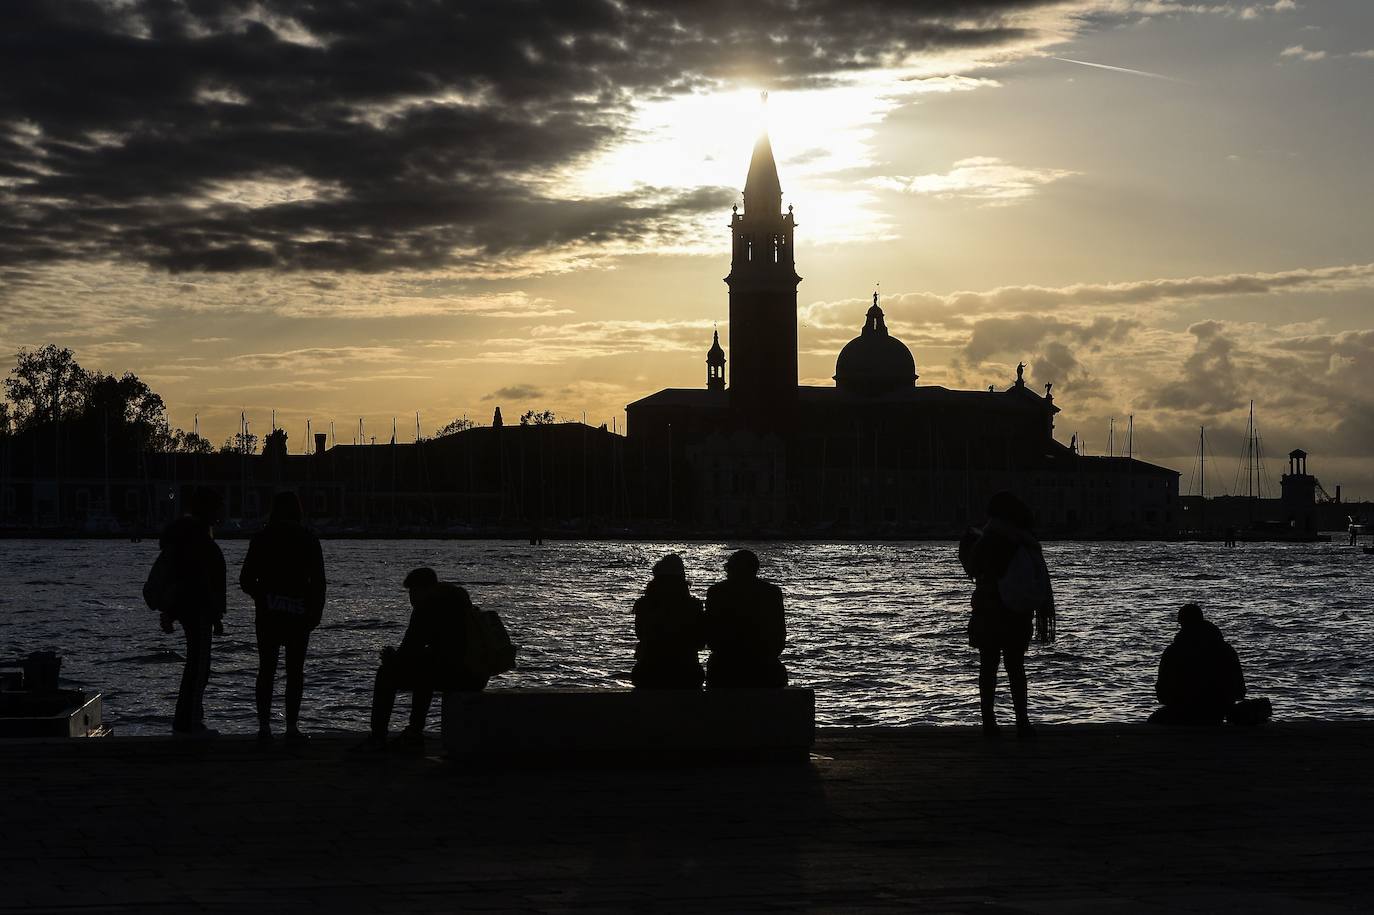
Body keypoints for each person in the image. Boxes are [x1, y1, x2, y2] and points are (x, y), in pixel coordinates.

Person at [355, 567, 487, 754]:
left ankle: (378, 737)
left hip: (457, 675)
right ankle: (414, 732)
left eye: (412, 592)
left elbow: (409, 650)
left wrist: (391, 658)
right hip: (476, 674)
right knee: (425, 668)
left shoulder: (427, 607)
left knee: (386, 674)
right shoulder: (459, 600)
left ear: (422, 589)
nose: (411, 598)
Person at [958, 491, 1056, 738]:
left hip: (989, 611)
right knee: (1016, 667)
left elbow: (972, 567)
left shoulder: (989, 539)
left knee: (988, 667)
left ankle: (989, 723)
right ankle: (1022, 722)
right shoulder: (1026, 540)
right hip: (1017, 614)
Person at [239, 491, 326, 744]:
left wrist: (262, 595)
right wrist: (315, 610)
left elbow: (245, 579)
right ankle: (291, 727)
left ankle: (264, 727)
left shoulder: (261, 538)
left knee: (266, 669)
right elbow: (319, 581)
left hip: (268, 614)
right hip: (300, 613)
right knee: (295, 671)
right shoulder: (309, 539)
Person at [157, 486, 227, 738]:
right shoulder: (198, 538)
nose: (222, 511)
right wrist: (215, 613)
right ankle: (190, 722)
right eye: (218, 506)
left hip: (191, 608)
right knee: (199, 667)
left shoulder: (185, 534)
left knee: (196, 665)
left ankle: (188, 718)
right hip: (198, 609)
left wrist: (170, 611)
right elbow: (198, 579)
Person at [1149, 604, 1246, 726]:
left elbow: (1162, 693)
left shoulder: (1173, 652)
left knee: (1154, 721)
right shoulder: (1226, 650)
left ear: (1182, 623)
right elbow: (1240, 690)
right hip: (1217, 712)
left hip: (1182, 711)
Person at [703, 549, 787, 688]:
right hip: (764, 670)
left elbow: (710, 636)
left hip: (724, 670)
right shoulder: (772, 593)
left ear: (731, 569)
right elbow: (778, 637)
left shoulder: (717, 592)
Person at [631, 554, 706, 689]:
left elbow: (640, 634)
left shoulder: (643, 605)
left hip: (648, 673)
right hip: (687, 673)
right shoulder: (694, 606)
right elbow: (700, 642)